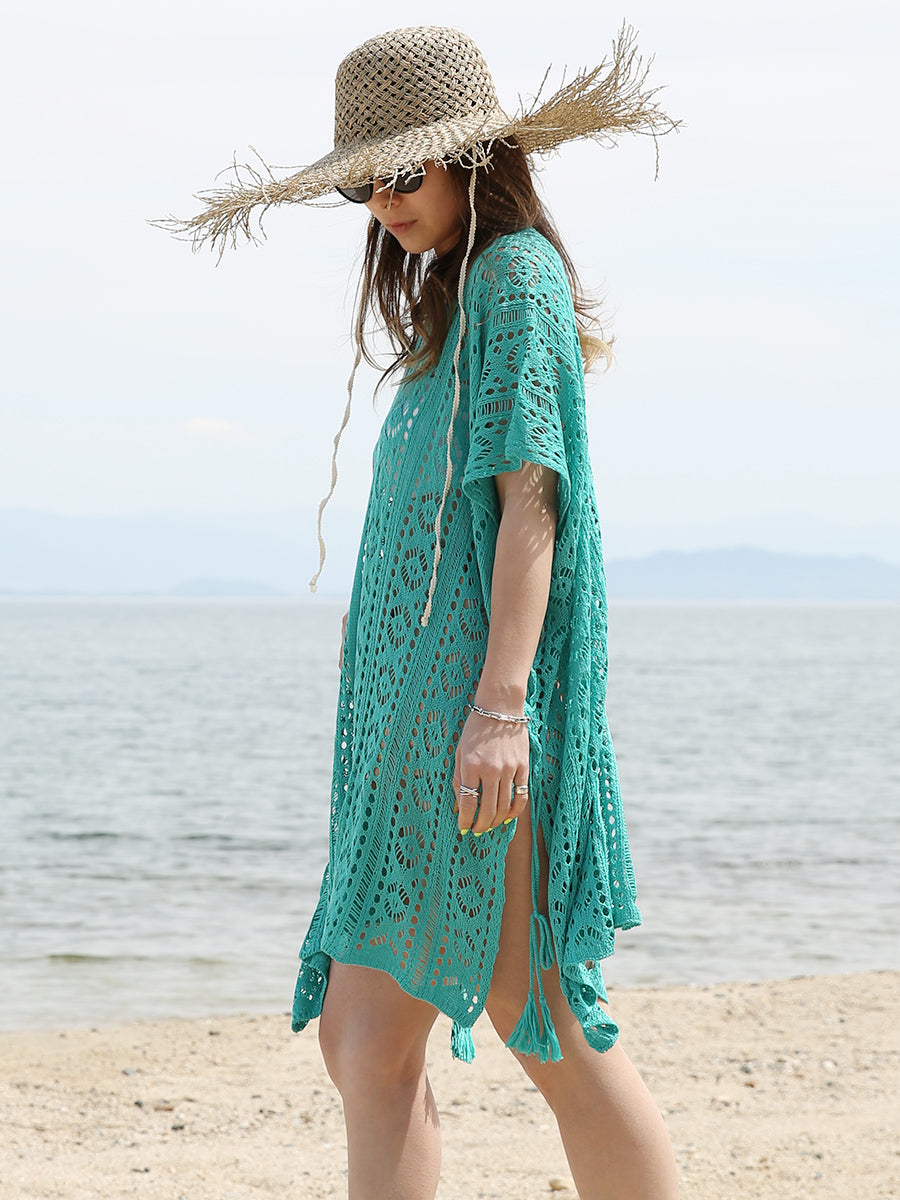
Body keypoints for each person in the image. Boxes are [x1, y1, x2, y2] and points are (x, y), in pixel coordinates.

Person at [165, 24, 680, 1200]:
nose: (384, 202)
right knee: (368, 1038)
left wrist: (501, 706)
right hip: (413, 716)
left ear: (471, 156)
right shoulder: (454, 294)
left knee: (542, 1014)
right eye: (361, 184)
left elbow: (533, 507)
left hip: (471, 710)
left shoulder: (514, 275)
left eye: (402, 172)